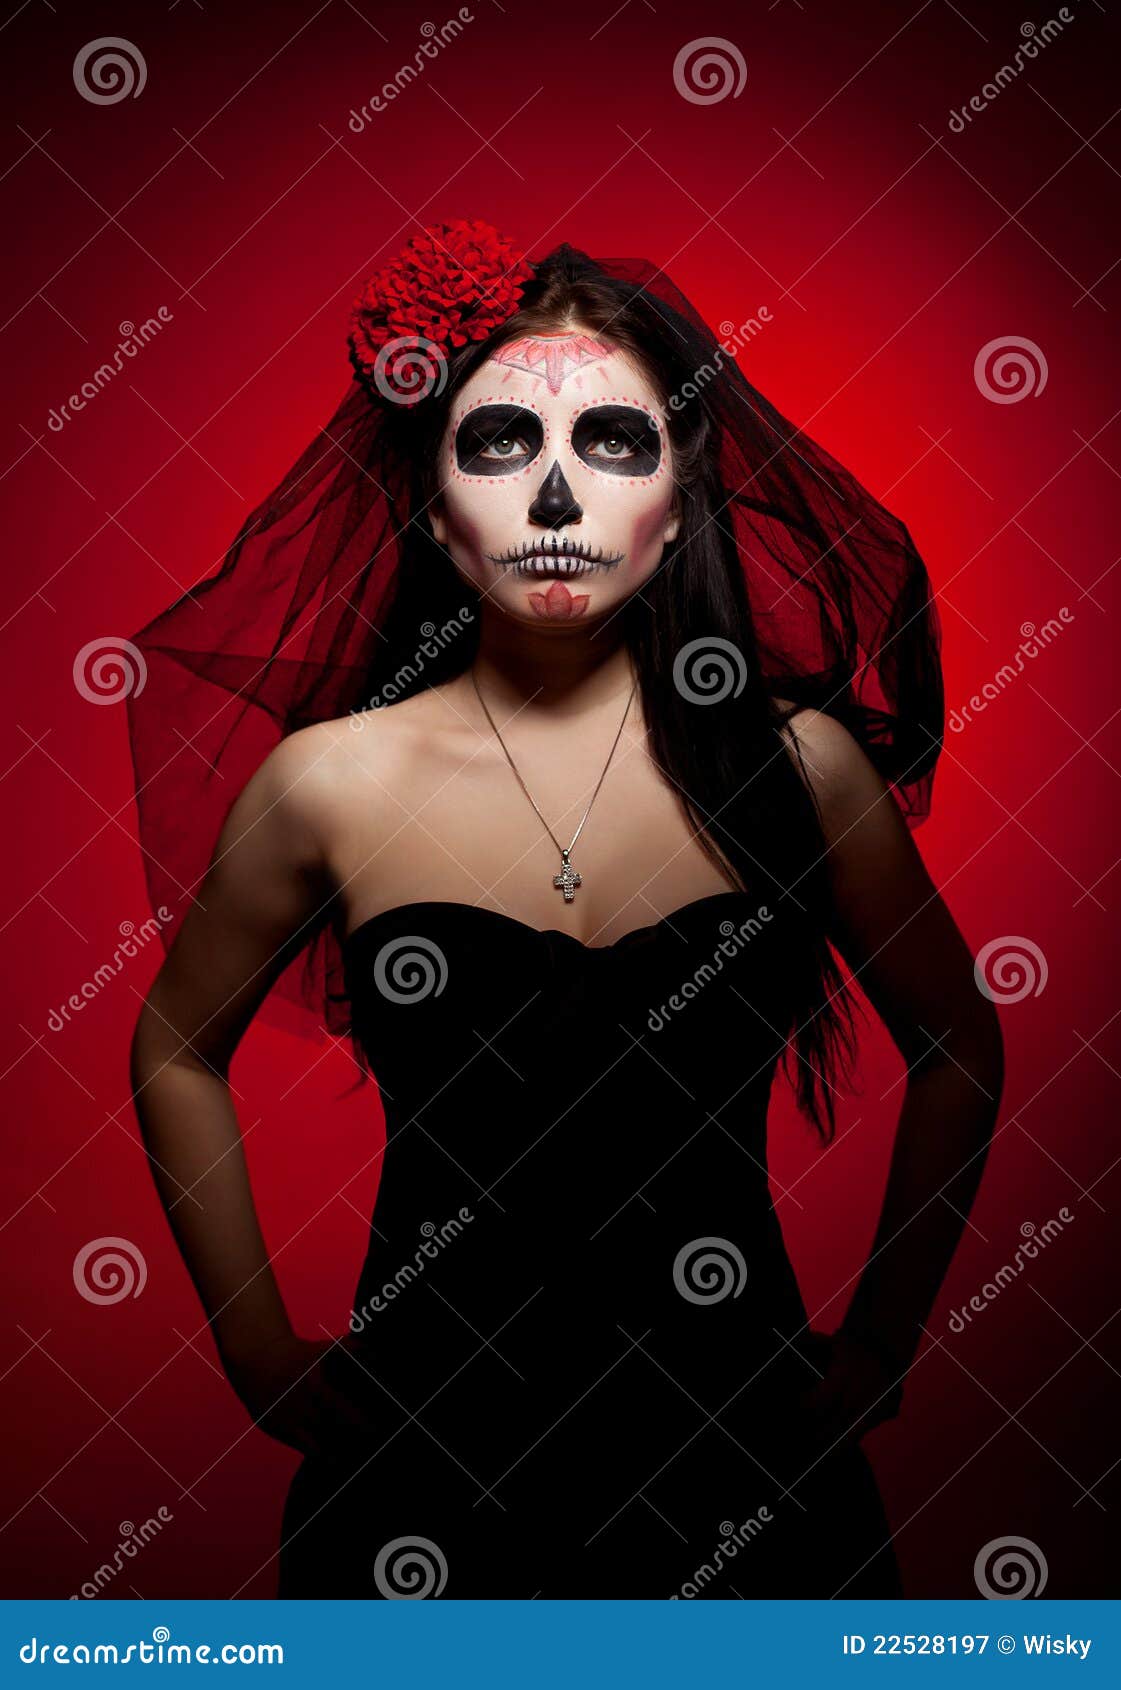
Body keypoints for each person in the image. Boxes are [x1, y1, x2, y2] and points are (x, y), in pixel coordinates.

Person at [128, 220, 1003, 1598]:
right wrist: (252, 1344)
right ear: (428, 500)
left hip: (744, 1464)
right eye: (495, 448)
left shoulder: (798, 769)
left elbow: (959, 1044)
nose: (552, 495)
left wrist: (884, 1342)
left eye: (610, 442)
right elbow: (175, 1040)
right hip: (421, 1471)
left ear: (679, 490)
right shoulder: (332, 785)